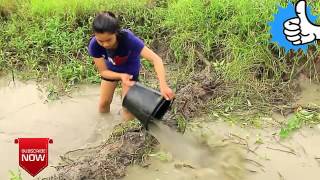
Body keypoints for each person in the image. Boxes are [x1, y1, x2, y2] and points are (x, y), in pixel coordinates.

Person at [88, 11, 175, 121]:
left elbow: (156, 59)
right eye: (101, 41)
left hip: (130, 72)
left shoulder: (128, 39)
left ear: (116, 33)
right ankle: (105, 126)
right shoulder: (94, 45)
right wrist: (120, 76)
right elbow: (103, 72)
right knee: (103, 104)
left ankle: (124, 132)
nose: (105, 44)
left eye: (109, 40)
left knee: (128, 108)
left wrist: (163, 85)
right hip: (111, 71)